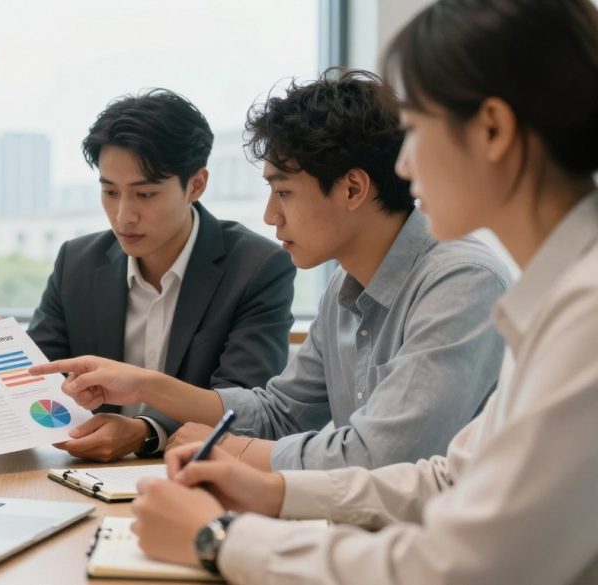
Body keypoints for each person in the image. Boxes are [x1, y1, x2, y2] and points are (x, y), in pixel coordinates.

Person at [129, 0, 598, 582]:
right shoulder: (561, 301)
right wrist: (270, 493)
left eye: (419, 129)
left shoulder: (581, 315)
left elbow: (461, 568)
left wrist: (219, 538)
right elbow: (448, 478)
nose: (403, 161)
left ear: (494, 130)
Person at [33, 70, 511, 472]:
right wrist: (144, 385)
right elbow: (281, 412)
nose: (269, 216)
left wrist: (230, 449)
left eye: (282, 192)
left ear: (352, 189)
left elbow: (384, 454)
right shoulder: (345, 286)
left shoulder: (462, 281)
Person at [0, 90, 296, 462]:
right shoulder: (77, 262)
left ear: (197, 184)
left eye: (145, 195)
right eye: (110, 191)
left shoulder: (256, 266)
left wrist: (146, 433)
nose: (124, 216)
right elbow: (42, 377)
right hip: (79, 472)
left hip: (195, 475)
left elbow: (242, 403)